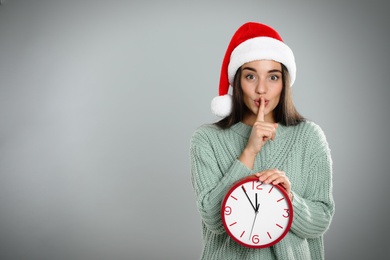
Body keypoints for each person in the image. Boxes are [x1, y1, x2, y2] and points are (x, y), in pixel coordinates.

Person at [190, 22, 335, 260]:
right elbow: (213, 219)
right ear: (237, 82)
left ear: (284, 82)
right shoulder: (207, 140)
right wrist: (248, 152)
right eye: (250, 76)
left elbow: (320, 221)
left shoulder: (308, 136)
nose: (261, 89)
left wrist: (289, 199)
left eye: (273, 77)